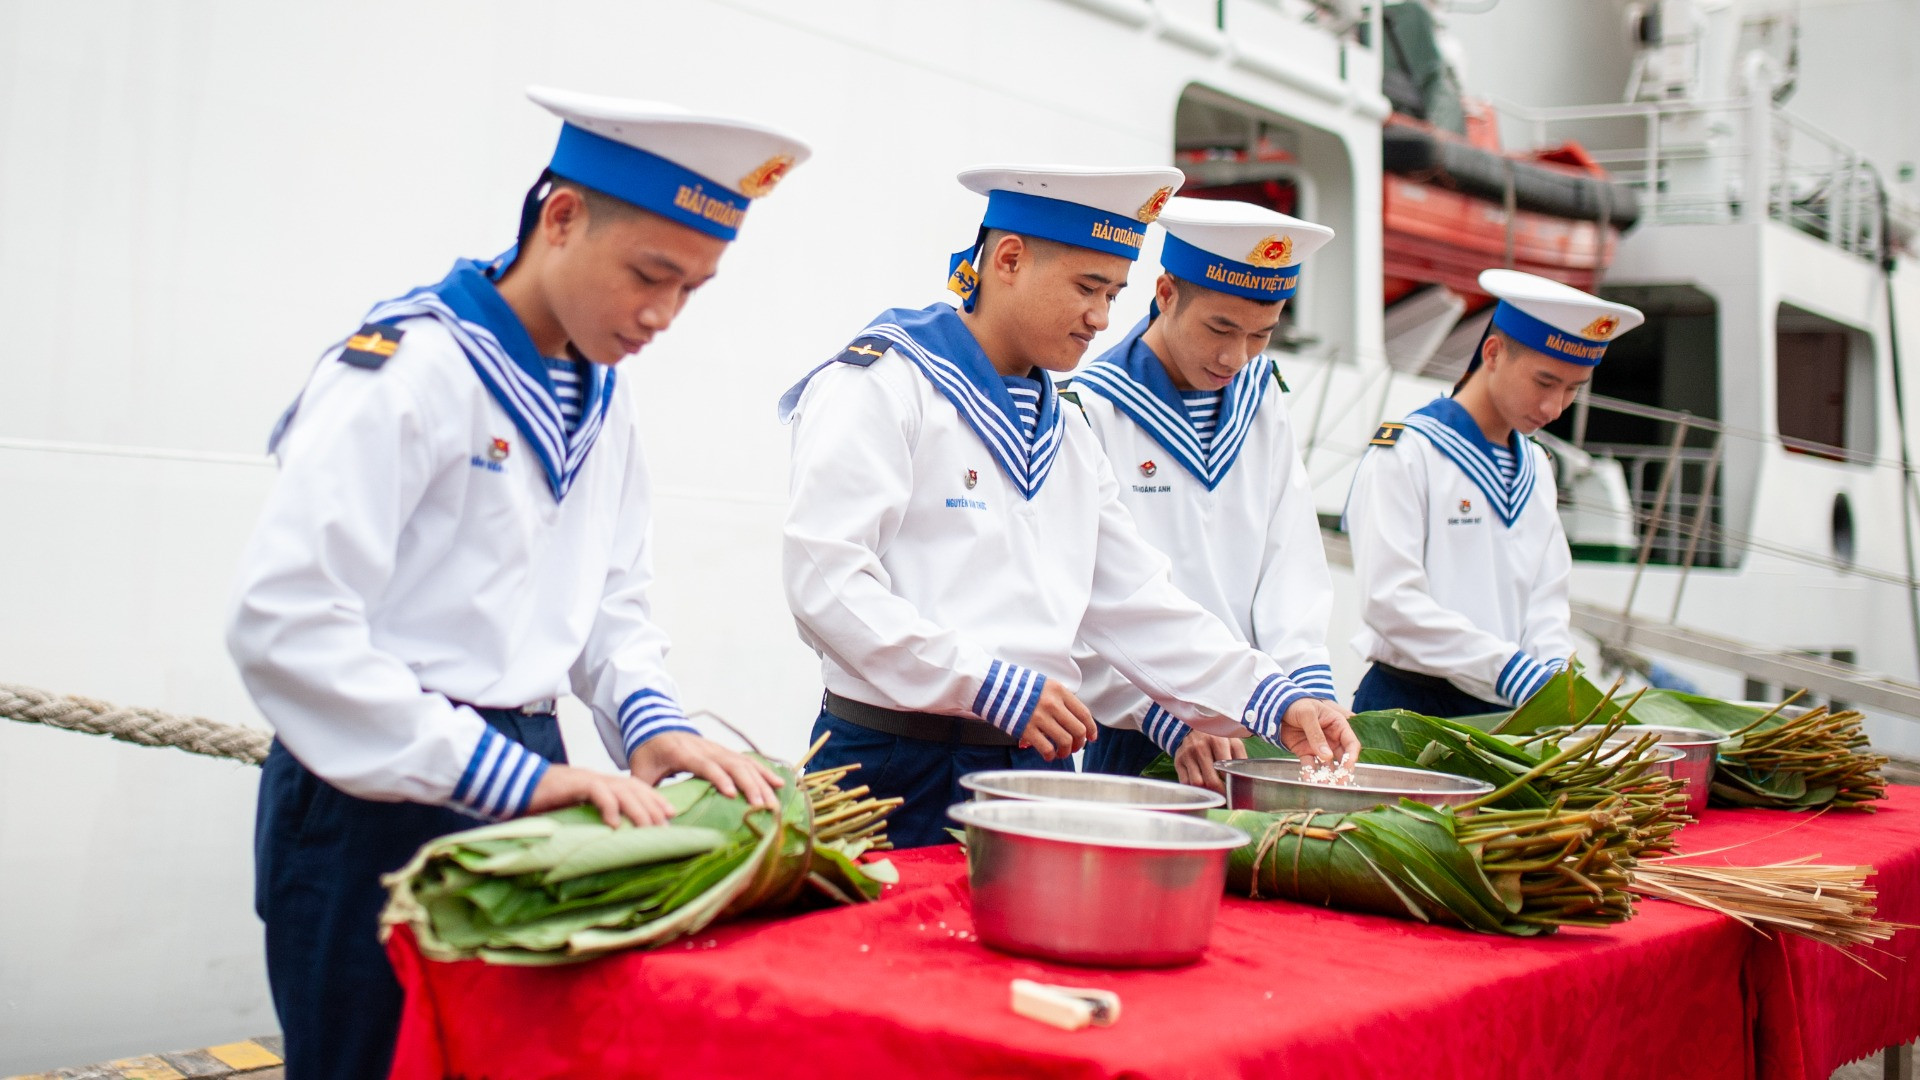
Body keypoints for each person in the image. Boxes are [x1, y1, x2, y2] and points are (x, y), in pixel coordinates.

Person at [226, 87, 805, 1080]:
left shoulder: (597, 394)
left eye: (692, 290)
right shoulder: (409, 371)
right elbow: (288, 629)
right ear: (562, 217)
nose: (663, 315)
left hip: (534, 766)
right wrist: (517, 779)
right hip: (378, 789)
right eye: (649, 275)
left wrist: (650, 721)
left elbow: (611, 602)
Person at [778, 166, 1360, 848]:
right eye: (1088, 287)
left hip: (1033, 762)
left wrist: (1271, 698)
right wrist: (984, 683)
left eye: (1114, 292)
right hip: (889, 761)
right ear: (1010, 260)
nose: (1103, 317)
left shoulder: (1068, 432)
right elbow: (826, 581)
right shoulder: (883, 385)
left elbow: (1138, 605)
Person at [1068, 197, 1338, 789]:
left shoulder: (1262, 400)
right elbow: (1083, 605)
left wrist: (1312, 693)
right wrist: (1170, 715)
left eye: (1260, 335)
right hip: (1141, 735)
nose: (1234, 357)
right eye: (1220, 328)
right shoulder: (1089, 410)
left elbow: (1289, 562)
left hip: (1263, 722)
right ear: (1165, 293)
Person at [1344, 269, 1644, 717]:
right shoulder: (1408, 453)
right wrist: (1508, 670)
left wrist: (1554, 681)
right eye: (1544, 382)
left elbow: (1546, 603)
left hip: (1513, 708)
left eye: (1571, 390)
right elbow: (1389, 601)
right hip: (1411, 707)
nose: (1553, 408)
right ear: (1494, 352)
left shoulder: (1538, 470)